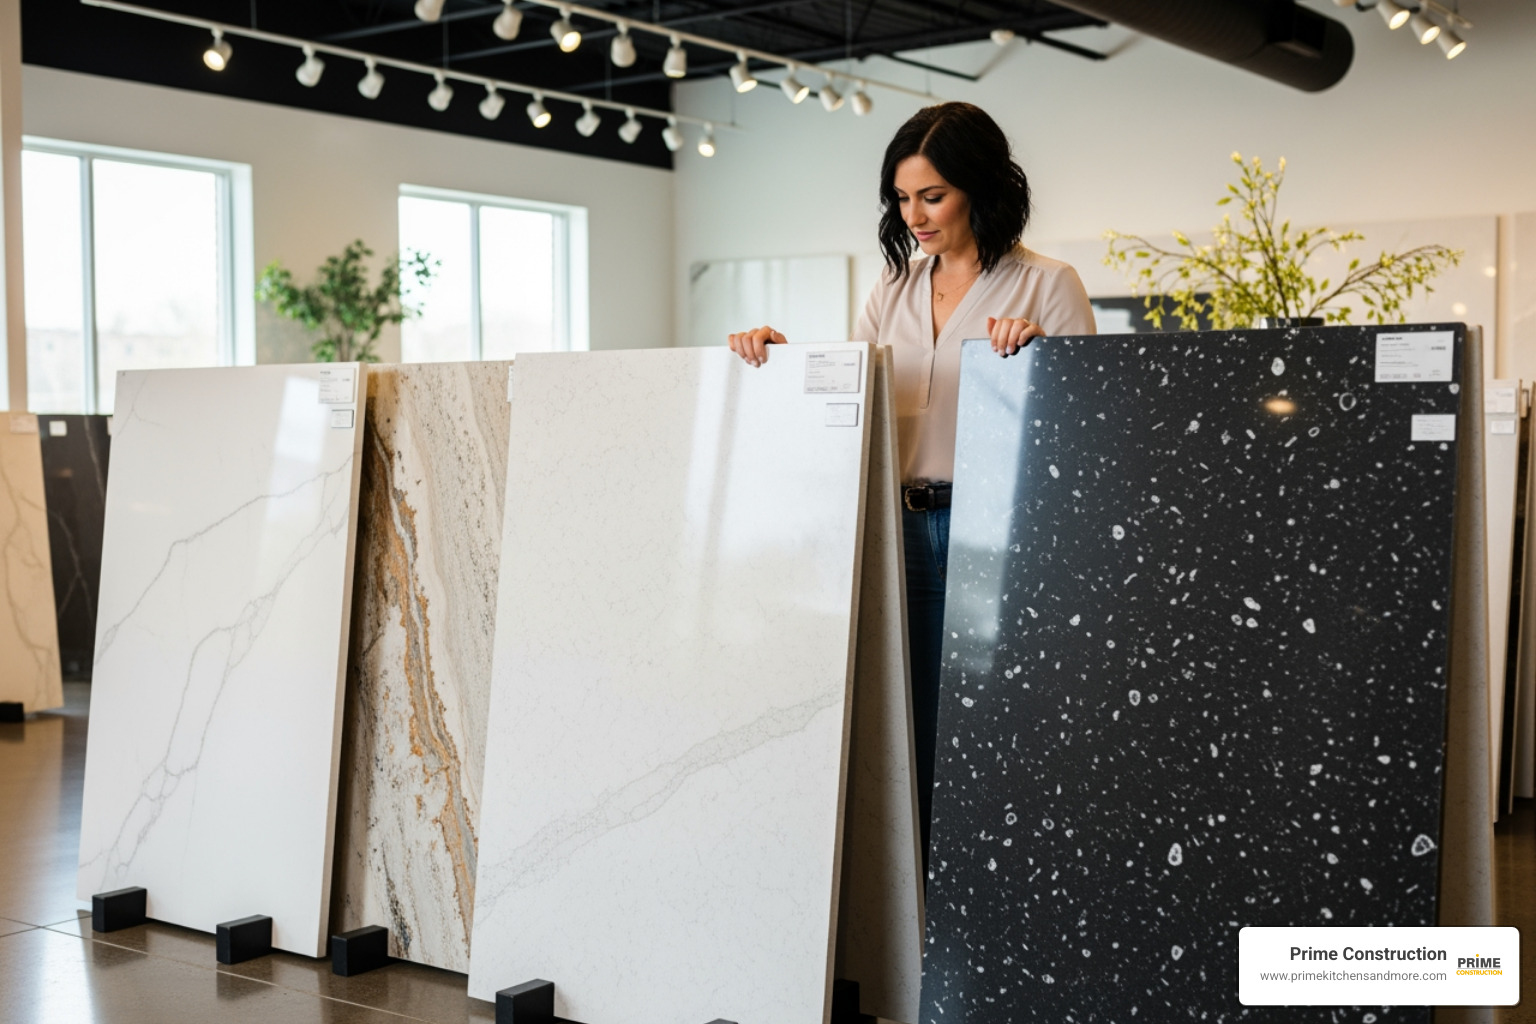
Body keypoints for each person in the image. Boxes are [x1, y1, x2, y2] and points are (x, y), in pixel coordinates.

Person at [728, 101, 1096, 868]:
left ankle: (996, 899)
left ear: (982, 189)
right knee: (909, 733)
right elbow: (853, 403)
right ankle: (918, 922)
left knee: (994, 731)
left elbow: (1079, 436)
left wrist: (1040, 363)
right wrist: (783, 356)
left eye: (932, 195)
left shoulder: (1047, 286)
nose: (914, 215)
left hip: (993, 537)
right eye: (902, 197)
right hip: (897, 531)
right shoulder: (890, 290)